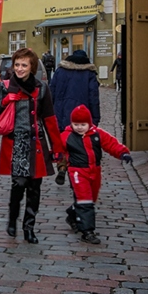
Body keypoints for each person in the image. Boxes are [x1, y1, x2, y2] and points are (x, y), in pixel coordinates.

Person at [0, 47, 66, 244]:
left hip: (36, 143)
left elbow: (49, 119)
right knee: (18, 184)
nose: (20, 69)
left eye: (24, 65)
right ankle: (12, 219)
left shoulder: (42, 88)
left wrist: (58, 149)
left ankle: (29, 227)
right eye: (17, 65)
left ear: (32, 67)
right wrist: (5, 100)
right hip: (15, 144)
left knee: (34, 188)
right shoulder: (5, 86)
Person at [58, 104, 132, 244]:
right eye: (76, 124)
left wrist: (122, 153)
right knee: (85, 199)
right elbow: (57, 147)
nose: (79, 127)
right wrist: (54, 156)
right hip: (77, 171)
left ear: (89, 123)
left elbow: (111, 144)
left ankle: (73, 214)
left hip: (94, 171)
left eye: (83, 124)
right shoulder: (67, 136)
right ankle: (87, 231)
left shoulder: (97, 134)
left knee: (90, 198)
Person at [49, 49, 100, 131]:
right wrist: (95, 119)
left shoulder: (60, 71)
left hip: (60, 114)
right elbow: (93, 98)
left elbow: (51, 93)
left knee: (61, 139)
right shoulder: (89, 73)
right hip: (82, 116)